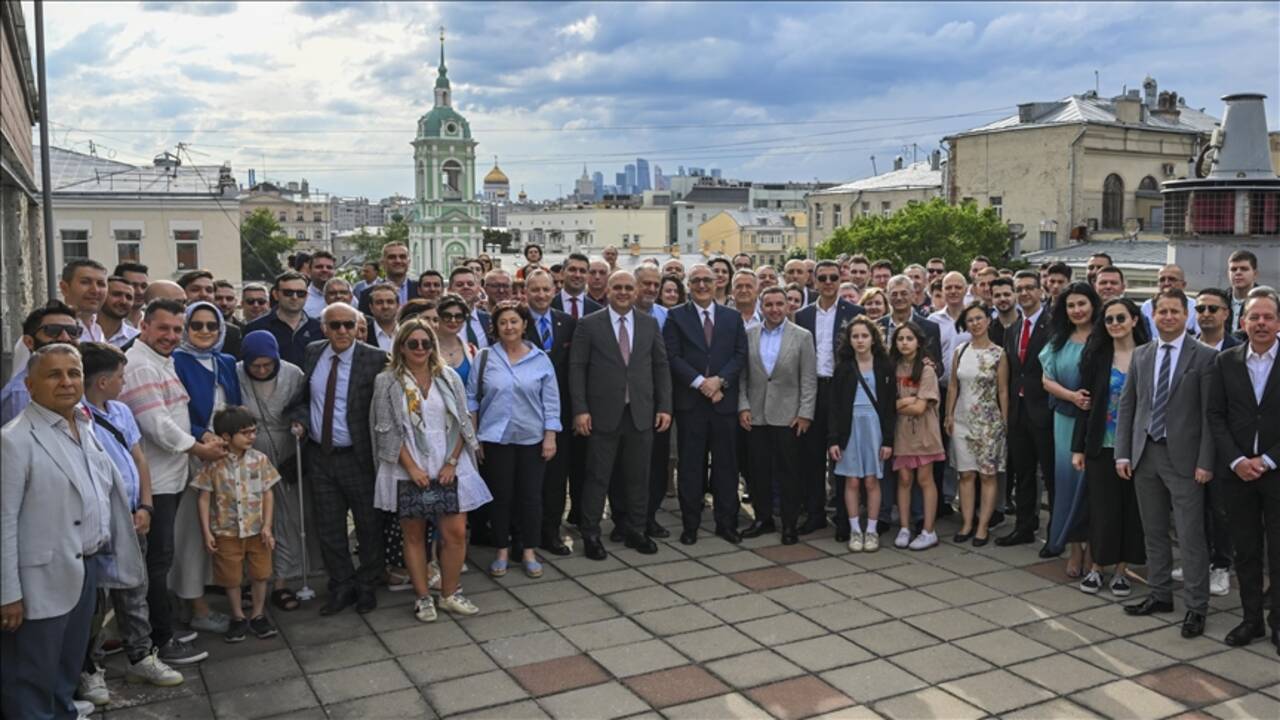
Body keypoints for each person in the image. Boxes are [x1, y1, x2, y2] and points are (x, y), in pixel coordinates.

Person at [1, 344, 146, 720]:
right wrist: (8, 595)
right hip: (38, 580)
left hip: (85, 568)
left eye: (73, 373)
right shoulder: (13, 441)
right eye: (54, 374)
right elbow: (3, 521)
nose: (66, 382)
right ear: (30, 386)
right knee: (31, 677)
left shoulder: (83, 424)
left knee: (66, 671)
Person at [77, 342, 186, 708]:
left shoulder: (121, 410)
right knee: (95, 600)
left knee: (134, 589)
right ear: (103, 381)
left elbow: (139, 460)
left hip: (133, 515)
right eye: (121, 377)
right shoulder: (77, 416)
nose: (125, 382)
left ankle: (141, 656)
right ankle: (90, 669)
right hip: (98, 521)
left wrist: (146, 506)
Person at [119, 298, 226, 662]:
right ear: (144, 326)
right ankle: (157, 643)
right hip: (156, 482)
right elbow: (158, 426)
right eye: (163, 328)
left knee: (160, 559)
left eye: (176, 329)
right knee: (155, 563)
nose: (171, 336)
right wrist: (199, 447)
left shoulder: (158, 361)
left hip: (169, 476)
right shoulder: (139, 366)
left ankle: (160, 632)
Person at [1116, 288, 1217, 639]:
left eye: (1176, 311)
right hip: (1146, 456)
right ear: (1153, 316)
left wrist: (1206, 461)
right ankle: (1159, 595)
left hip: (1186, 461)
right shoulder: (1142, 355)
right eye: (1163, 312)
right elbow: (1129, 406)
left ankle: (1196, 607)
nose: (1169, 317)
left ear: (1186, 315)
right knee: (1154, 531)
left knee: (1190, 536)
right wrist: (1123, 453)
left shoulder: (1204, 357)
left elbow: (1209, 416)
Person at [372, 319, 488, 622]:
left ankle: (450, 593)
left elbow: (463, 422)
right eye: (413, 343)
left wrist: (451, 461)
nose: (420, 348)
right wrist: (411, 467)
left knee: (455, 533)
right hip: (407, 464)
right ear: (401, 347)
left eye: (426, 343)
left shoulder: (447, 377)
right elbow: (385, 430)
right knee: (414, 535)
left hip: (449, 462)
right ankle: (423, 597)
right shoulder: (387, 381)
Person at [290, 302, 389, 616]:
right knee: (329, 527)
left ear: (358, 327)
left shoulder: (374, 358)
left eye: (349, 324)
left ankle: (368, 584)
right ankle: (341, 585)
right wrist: (302, 419)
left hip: (357, 457)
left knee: (368, 526)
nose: (343, 331)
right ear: (324, 328)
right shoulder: (313, 352)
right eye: (336, 326)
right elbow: (305, 397)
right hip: (320, 456)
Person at [570, 270, 673, 560]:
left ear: (637, 290)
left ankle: (636, 530)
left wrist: (665, 406)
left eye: (629, 287)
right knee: (597, 477)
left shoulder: (649, 324)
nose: (624, 292)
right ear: (608, 291)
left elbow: (661, 367)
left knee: (639, 476)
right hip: (602, 414)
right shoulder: (589, 325)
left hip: (640, 413)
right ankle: (590, 534)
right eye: (618, 287)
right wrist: (580, 410)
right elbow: (576, 369)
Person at [1207, 292, 1280, 653]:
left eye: (1268, 317)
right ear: (1243, 323)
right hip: (1237, 473)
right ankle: (1251, 619)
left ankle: (1277, 621)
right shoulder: (1226, 361)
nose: (1261, 323)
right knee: (1246, 551)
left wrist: (1267, 460)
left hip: (1277, 471)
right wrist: (1237, 460)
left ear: (1278, 323)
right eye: (1255, 317)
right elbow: (1216, 416)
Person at [469, 303, 560, 577]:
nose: (509, 327)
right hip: (495, 439)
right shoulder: (485, 357)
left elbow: (551, 402)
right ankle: (501, 550)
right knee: (501, 498)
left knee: (530, 497)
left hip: (532, 438)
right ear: (495, 328)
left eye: (514, 321)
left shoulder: (540, 359)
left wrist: (550, 436)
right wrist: (475, 439)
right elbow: (471, 398)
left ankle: (529, 550)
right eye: (503, 322)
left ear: (524, 325)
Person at [171, 301, 243, 637]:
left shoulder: (225, 360)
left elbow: (235, 406)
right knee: (192, 534)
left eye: (211, 326)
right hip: (193, 455)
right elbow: (179, 412)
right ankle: (195, 604)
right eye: (196, 325)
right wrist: (204, 437)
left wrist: (232, 439)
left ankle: (209, 596)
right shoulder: (177, 361)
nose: (203, 332)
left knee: (220, 531)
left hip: (225, 453)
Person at [1070, 298, 1148, 597]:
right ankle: (1096, 567)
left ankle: (1121, 571)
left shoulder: (1148, 356)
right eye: (1109, 320)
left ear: (1134, 320)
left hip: (1139, 448)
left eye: (1121, 318)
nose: (1115, 324)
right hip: (1102, 445)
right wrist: (1079, 448)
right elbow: (1085, 405)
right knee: (1102, 509)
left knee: (1132, 511)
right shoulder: (1097, 356)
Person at [665, 265, 748, 544]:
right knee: (690, 468)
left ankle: (726, 524)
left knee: (726, 467)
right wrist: (701, 382)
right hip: (692, 404)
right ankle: (690, 525)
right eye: (696, 280)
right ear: (688, 285)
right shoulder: (676, 316)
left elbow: (740, 355)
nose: (702, 285)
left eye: (707, 280)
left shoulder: (732, 317)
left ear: (717, 284)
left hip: (723, 403)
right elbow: (672, 356)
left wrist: (720, 381)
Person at [236, 331, 310, 613]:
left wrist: (299, 422)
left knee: (286, 516)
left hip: (287, 448)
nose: (263, 370)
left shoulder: (293, 373)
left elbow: (305, 404)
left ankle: (282, 580)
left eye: (268, 365)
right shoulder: (235, 372)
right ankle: (251, 580)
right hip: (249, 452)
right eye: (256, 366)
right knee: (250, 517)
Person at [193, 407, 280, 642]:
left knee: (260, 573)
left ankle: (259, 614)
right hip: (226, 530)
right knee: (230, 577)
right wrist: (206, 531)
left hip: (256, 529)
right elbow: (203, 497)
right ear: (226, 437)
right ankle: (238, 616)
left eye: (253, 431)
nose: (251, 437)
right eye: (245, 433)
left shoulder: (260, 460)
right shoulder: (213, 464)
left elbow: (268, 493)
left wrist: (267, 525)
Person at [738, 287, 817, 545]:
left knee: (789, 473)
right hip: (756, 415)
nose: (774, 309)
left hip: (789, 416)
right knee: (758, 471)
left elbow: (808, 379)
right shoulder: (749, 335)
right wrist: (743, 406)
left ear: (787, 306)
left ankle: (789, 524)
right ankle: (762, 519)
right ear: (761, 307)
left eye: (779, 304)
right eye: (768, 304)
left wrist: (805, 413)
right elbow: (743, 376)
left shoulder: (802, 337)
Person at [795, 260, 865, 541]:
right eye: (822, 277)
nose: (827, 282)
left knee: (842, 455)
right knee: (811, 456)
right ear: (814, 280)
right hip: (812, 390)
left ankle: (844, 517)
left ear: (840, 279)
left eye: (833, 277)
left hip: (842, 392)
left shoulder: (855, 313)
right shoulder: (802, 315)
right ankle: (815, 514)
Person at [1039, 283, 1098, 572]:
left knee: (1093, 487)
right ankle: (1075, 548)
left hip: (1099, 422)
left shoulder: (1104, 337)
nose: (1077, 310)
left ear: (1093, 305)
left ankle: (1093, 550)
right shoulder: (1058, 340)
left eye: (1082, 304)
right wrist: (1072, 396)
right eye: (1071, 305)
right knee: (1068, 484)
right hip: (1065, 418)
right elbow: (1046, 380)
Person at [997, 270, 1056, 548]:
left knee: (1050, 475)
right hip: (1018, 411)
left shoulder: (1054, 324)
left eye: (1029, 288)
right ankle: (1024, 526)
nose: (1024, 294)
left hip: (1045, 409)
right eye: (1019, 289)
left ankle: (1056, 533)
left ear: (1041, 291)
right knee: (1022, 472)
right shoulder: (1013, 329)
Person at [829, 316, 896, 552]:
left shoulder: (884, 366)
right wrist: (834, 439)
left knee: (871, 480)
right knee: (852, 480)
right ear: (849, 340)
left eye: (864, 336)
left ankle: (872, 530)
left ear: (873, 338)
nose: (860, 340)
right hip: (850, 427)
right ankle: (855, 529)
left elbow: (889, 407)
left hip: (874, 426)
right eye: (855, 336)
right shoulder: (844, 368)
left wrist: (888, 440)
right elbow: (835, 406)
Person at [945, 303, 1008, 547]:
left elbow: (1003, 391)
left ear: (988, 320)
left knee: (988, 475)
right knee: (966, 474)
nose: (975, 323)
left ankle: (983, 526)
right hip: (962, 419)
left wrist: (1005, 422)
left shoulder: (998, 354)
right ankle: (967, 522)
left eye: (979, 318)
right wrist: (948, 415)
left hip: (989, 422)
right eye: (970, 320)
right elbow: (953, 385)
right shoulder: (960, 351)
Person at [523, 271, 578, 555]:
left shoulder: (566, 322)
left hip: (561, 412)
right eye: (536, 290)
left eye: (546, 289)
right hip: (526, 411)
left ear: (554, 290)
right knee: (527, 479)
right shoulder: (515, 321)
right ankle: (525, 535)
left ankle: (550, 532)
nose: (542, 295)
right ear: (526, 291)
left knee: (557, 478)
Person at [889, 323, 945, 550]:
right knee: (903, 480)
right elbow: (887, 403)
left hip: (924, 433)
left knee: (924, 479)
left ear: (918, 342)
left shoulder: (926, 369)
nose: (904, 343)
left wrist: (900, 404)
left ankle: (928, 530)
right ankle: (904, 527)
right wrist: (907, 400)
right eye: (900, 338)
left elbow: (921, 407)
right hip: (901, 433)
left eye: (909, 338)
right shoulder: (892, 368)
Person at [8, 259, 107, 381]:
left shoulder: (98, 331)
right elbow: (21, 389)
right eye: (85, 282)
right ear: (64, 288)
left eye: (101, 284)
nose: (95, 290)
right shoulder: (39, 335)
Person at [2, 301, 83, 425]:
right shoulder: (20, 394)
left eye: (72, 331)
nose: (65, 338)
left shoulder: (78, 383)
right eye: (52, 331)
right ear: (29, 342)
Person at [244, 271, 324, 368]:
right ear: (276, 294)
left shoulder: (319, 328)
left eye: (300, 293)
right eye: (288, 293)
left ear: (307, 296)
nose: (294, 297)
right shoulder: (255, 328)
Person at [178, 270, 242, 358]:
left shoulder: (231, 333)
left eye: (209, 290)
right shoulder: (171, 329)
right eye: (195, 290)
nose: (203, 294)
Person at [1140, 265, 1198, 336]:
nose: (1166, 283)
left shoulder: (1195, 306)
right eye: (1162, 280)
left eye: (1171, 279)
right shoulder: (1147, 306)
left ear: (1183, 285)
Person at [357, 242, 413, 312]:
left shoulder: (422, 290)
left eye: (402, 257)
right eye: (392, 257)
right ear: (382, 263)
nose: (398, 261)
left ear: (409, 261)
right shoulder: (367, 294)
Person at [436, 294, 478, 384]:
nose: (453, 321)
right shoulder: (425, 348)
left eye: (458, 316)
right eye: (447, 316)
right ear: (438, 317)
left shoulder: (472, 351)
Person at [448, 267, 492, 348]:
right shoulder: (443, 321)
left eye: (470, 284)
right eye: (459, 285)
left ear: (478, 289)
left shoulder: (489, 320)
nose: (466, 287)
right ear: (449, 290)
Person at [553, 253, 602, 319]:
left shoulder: (598, 310)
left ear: (587, 276)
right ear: (562, 273)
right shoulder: (549, 305)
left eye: (582, 271)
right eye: (572, 269)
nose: (577, 275)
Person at [100, 277, 141, 348]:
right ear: (102, 295)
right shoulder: (81, 330)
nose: (123, 301)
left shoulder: (136, 339)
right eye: (117, 294)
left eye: (129, 297)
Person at [1227, 250, 1258, 333]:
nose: (1238, 272)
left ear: (1255, 274)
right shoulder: (1221, 300)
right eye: (1233, 269)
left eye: (1244, 269)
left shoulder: (1266, 301)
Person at [114, 261, 149, 327]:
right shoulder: (101, 324)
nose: (140, 292)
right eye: (133, 286)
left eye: (143, 286)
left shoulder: (152, 323)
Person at [367, 283, 400, 351]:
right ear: (371, 308)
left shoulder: (408, 332)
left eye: (390, 302)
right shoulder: (364, 334)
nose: (385, 306)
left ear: (398, 306)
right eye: (379, 302)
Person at [303, 250, 336, 318]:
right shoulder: (301, 298)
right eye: (319, 267)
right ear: (309, 270)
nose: (325, 270)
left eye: (329, 267)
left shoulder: (347, 296)